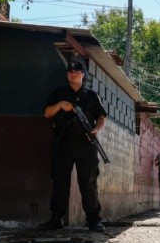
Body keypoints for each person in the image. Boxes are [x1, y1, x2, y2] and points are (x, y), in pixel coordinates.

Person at [39, 60, 108, 232]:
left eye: (77, 71)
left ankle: (94, 220)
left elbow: (101, 117)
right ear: (67, 74)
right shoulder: (59, 93)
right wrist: (60, 105)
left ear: (83, 74)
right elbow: (47, 113)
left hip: (86, 143)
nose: (74, 74)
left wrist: (95, 130)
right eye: (70, 71)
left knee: (88, 182)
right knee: (60, 181)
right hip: (63, 142)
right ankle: (56, 219)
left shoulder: (91, 95)